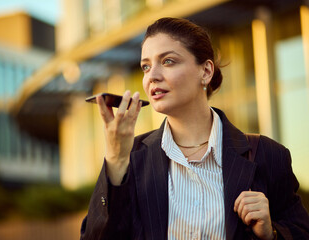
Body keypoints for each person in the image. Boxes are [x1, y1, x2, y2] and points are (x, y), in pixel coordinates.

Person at [80, 17, 309, 240]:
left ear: (206, 71)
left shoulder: (268, 155)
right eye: (146, 66)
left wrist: (271, 234)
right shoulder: (130, 158)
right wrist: (115, 159)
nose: (152, 76)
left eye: (168, 61)